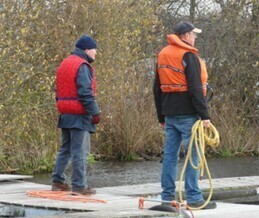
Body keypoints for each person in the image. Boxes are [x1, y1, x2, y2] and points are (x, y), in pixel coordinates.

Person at [153, 21, 216, 209]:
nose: (195, 38)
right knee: (193, 156)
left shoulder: (163, 54)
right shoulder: (189, 55)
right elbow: (196, 89)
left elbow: (157, 88)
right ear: (186, 36)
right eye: (193, 35)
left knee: (170, 156)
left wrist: (161, 116)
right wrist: (204, 115)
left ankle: (166, 196)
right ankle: (194, 197)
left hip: (169, 113)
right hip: (189, 114)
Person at [51, 35, 100, 195]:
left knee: (65, 149)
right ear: (86, 49)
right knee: (80, 151)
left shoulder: (65, 63)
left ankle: (58, 181)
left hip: (65, 112)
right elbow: (85, 93)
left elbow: (57, 90)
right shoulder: (82, 65)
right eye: (94, 50)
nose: (95, 53)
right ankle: (79, 186)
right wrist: (95, 112)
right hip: (79, 113)